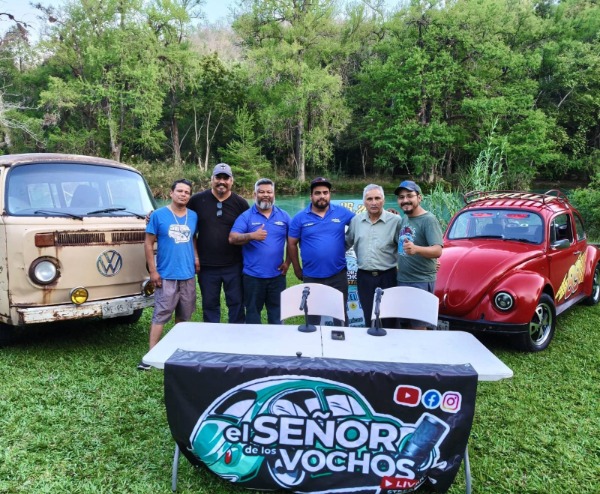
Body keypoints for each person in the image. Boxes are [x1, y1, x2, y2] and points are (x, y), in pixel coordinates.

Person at [138, 179, 199, 370]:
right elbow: (148, 243)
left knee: (184, 314)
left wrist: (196, 257)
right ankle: (151, 355)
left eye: (187, 192)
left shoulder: (193, 216)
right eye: (179, 191)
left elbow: (193, 239)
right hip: (166, 274)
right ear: (171, 193)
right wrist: (153, 271)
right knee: (161, 313)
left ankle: (178, 350)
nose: (183, 194)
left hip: (187, 274)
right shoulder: (158, 215)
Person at [288, 177, 355, 325]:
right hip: (312, 276)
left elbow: (362, 222)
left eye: (325, 192)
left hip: (338, 274)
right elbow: (291, 244)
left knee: (340, 314)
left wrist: (386, 213)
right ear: (311, 196)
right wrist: (297, 269)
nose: (322, 196)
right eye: (317, 193)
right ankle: (313, 339)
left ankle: (342, 339)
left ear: (330, 194)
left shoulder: (342, 212)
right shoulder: (299, 218)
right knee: (312, 317)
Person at [188, 163, 249, 324]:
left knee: (236, 303)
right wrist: (153, 214)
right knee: (210, 305)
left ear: (232, 181)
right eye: (218, 177)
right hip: (207, 266)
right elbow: (179, 214)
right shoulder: (197, 200)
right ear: (212, 179)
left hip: (234, 265)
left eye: (226, 178)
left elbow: (249, 230)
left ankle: (236, 333)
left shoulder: (241, 204)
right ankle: (212, 335)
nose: (222, 181)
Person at [229, 178, 291, 324]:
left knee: (277, 314)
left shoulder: (284, 216)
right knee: (253, 314)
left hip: (277, 276)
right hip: (253, 277)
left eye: (269, 192)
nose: (265, 195)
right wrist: (252, 236)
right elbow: (232, 238)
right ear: (254, 194)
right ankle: (253, 339)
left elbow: (292, 241)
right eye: (261, 192)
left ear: (274, 194)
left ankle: (276, 338)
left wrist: (288, 262)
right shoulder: (246, 216)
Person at [345, 184, 400, 327]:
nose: (374, 202)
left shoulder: (396, 221)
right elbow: (345, 244)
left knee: (389, 318)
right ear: (364, 202)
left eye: (377, 198)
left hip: (388, 276)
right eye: (369, 199)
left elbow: (406, 248)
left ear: (384, 200)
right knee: (369, 317)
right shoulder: (356, 221)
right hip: (364, 277)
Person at [395, 180, 444, 329]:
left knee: (419, 328)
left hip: (420, 281)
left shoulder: (429, 220)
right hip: (402, 280)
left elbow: (437, 250)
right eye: (401, 197)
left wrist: (417, 249)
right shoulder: (404, 219)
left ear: (419, 198)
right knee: (404, 327)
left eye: (409, 196)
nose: (405, 200)